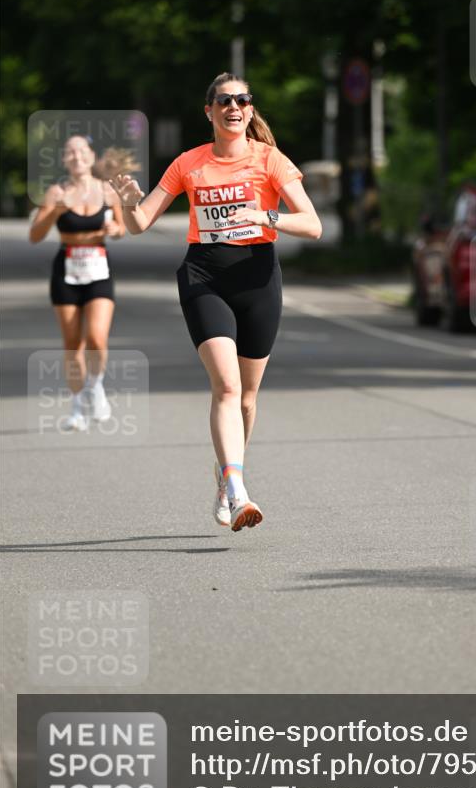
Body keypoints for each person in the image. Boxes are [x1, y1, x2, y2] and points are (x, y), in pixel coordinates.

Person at [110, 72, 322, 532]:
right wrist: (128, 202)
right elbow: (140, 222)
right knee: (225, 387)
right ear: (209, 111)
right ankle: (238, 489)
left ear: (250, 110)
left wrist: (265, 215)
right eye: (224, 100)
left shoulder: (270, 160)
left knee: (246, 399)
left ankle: (225, 473)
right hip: (204, 276)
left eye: (242, 100)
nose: (234, 107)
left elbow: (312, 224)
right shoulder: (189, 163)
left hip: (258, 279)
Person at [29, 135, 127, 431]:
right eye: (70, 152)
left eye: (81, 151)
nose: (76, 156)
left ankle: (95, 388)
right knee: (73, 344)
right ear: (64, 160)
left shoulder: (108, 191)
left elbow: (122, 228)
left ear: (90, 155)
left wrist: (115, 228)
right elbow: (35, 235)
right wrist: (54, 212)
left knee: (97, 338)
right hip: (66, 270)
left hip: (98, 268)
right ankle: (77, 406)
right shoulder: (56, 192)